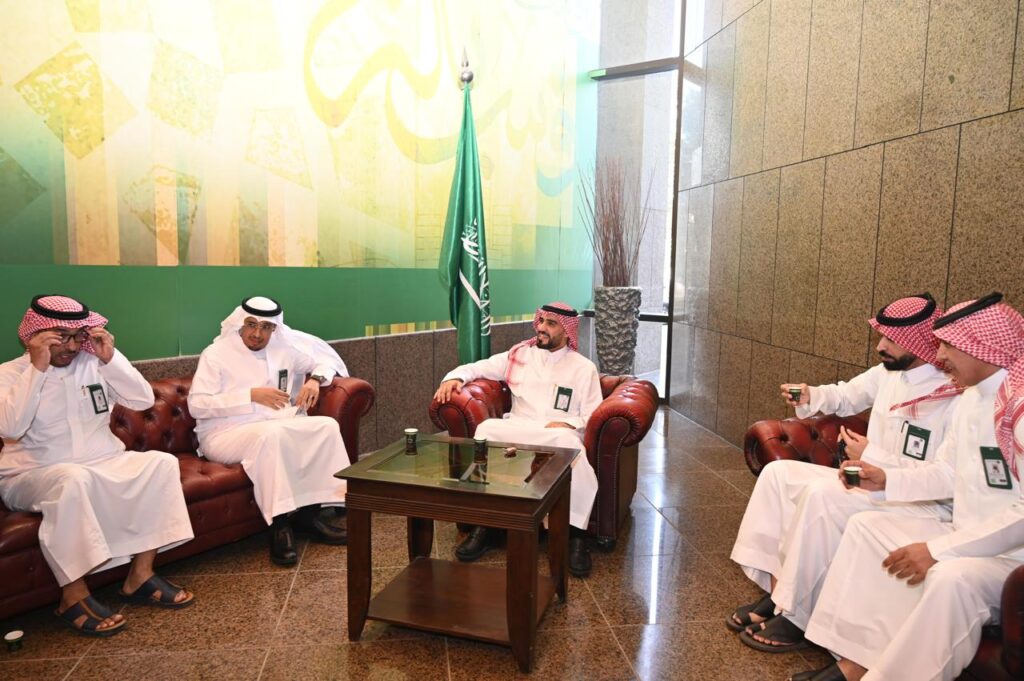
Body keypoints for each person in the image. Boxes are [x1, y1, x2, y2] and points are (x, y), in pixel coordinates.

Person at [791, 293, 1024, 681]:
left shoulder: (1018, 408)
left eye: (948, 345)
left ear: (981, 348)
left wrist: (938, 550)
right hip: (963, 533)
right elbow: (946, 472)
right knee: (867, 529)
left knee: (951, 579)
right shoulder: (972, 398)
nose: (940, 355)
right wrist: (887, 479)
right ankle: (851, 659)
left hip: (1011, 558)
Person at [729, 294, 964, 651]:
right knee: (778, 475)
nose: (880, 346)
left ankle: (796, 615)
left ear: (919, 342)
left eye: (891, 339)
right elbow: (847, 395)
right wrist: (810, 395)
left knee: (822, 496)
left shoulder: (953, 394)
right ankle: (778, 591)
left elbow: (940, 476)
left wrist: (873, 455)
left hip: (915, 500)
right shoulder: (890, 372)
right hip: (869, 480)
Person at [0, 295, 195, 637]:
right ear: (34, 336)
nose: (71, 346)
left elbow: (142, 400)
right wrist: (37, 368)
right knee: (72, 479)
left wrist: (111, 359)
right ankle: (72, 596)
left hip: (103, 461)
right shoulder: (9, 374)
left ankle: (141, 576)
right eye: (60, 337)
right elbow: (11, 428)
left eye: (78, 336)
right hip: (33, 472)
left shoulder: (93, 365)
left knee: (160, 464)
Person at [433, 302, 603, 577]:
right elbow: (479, 367)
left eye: (551, 323)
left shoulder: (584, 368)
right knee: (486, 430)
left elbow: (593, 414)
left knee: (571, 446)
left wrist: (571, 424)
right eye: (541, 321)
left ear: (567, 330)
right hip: (518, 428)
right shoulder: (519, 355)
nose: (542, 328)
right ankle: (485, 526)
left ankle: (575, 536)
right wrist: (453, 378)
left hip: (556, 433)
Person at [187, 296, 351, 566]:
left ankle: (310, 517)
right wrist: (250, 396)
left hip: (275, 422)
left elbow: (324, 361)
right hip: (224, 432)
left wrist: (314, 380)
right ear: (240, 323)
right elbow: (197, 405)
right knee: (272, 437)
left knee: (325, 427)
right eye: (251, 325)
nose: (257, 333)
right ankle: (279, 525)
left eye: (265, 327)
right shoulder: (215, 354)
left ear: (274, 328)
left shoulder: (282, 348)